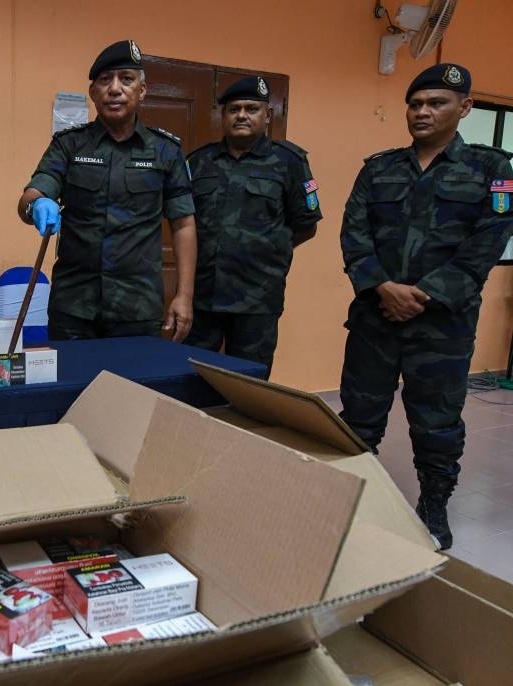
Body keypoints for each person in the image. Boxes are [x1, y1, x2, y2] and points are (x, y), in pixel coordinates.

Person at [339, 64, 513, 550]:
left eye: (436, 103)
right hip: (375, 317)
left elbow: (488, 240)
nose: (422, 112)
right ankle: (356, 496)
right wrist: (383, 287)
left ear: (465, 107)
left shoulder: (492, 169)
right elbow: (353, 233)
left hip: (443, 326)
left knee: (436, 422)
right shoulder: (379, 169)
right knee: (359, 416)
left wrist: (423, 295)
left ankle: (434, 505)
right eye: (415, 104)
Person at [16, 40, 196, 340]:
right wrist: (35, 206)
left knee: (134, 374)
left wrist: (184, 296)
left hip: (137, 306)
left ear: (142, 91)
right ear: (92, 92)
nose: (114, 89)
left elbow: (184, 224)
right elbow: (34, 192)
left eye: (126, 79)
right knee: (72, 373)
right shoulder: (69, 145)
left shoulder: (166, 151)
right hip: (73, 306)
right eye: (104, 80)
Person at [184, 76, 321, 377]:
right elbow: (183, 222)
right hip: (203, 295)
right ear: (223, 116)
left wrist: (265, 250)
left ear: (267, 115)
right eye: (234, 109)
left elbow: (306, 224)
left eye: (251, 109)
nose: (242, 115)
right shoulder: (198, 162)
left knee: (250, 381)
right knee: (192, 376)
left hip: (258, 299)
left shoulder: (290, 162)